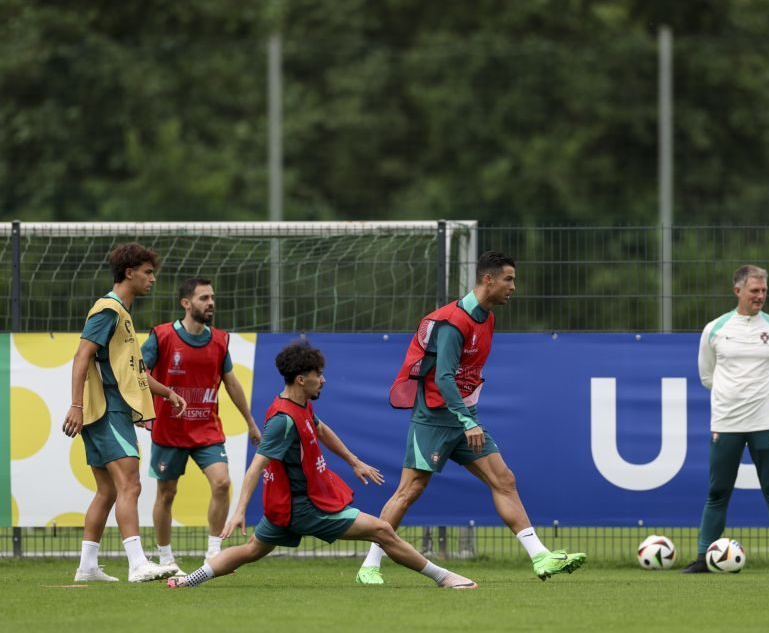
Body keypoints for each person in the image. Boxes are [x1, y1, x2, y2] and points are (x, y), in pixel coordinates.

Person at [355, 251, 586, 585]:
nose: (513, 287)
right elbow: (444, 377)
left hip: (464, 418)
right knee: (410, 490)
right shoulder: (454, 322)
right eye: (508, 279)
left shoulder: (487, 317)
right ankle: (370, 565)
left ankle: (540, 557)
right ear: (487, 280)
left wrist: (467, 417)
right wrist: (468, 421)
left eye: (514, 280)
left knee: (503, 479)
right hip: (435, 419)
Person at [166, 341, 476, 589]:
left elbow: (321, 429)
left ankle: (187, 580)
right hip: (304, 508)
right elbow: (255, 467)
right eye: (319, 374)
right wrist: (238, 511)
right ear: (302, 379)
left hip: (287, 506)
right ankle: (444, 577)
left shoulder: (300, 403)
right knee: (382, 530)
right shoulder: (282, 420)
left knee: (250, 552)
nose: (324, 379)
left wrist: (355, 462)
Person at [61, 243, 187, 583]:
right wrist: (76, 405)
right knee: (130, 483)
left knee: (109, 490)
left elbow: (136, 373)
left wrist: (167, 393)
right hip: (106, 410)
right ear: (128, 272)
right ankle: (137, 564)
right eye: (147, 272)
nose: (153, 279)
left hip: (107, 410)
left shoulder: (124, 315)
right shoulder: (109, 309)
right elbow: (81, 356)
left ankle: (87, 566)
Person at [683, 264, 769, 574]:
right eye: (754, 290)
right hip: (726, 423)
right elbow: (707, 375)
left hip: (765, 422)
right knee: (718, 492)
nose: (760, 296)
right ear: (737, 291)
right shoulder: (715, 329)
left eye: (764, 290)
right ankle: (702, 558)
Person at [142, 277, 262, 575]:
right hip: (169, 431)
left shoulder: (220, 340)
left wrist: (251, 422)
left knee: (222, 482)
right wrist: (146, 408)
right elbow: (139, 375)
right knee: (167, 494)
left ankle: (213, 552)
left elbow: (232, 384)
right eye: (203, 298)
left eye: (212, 298)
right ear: (186, 303)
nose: (211, 303)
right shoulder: (161, 336)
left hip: (207, 429)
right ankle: (166, 558)